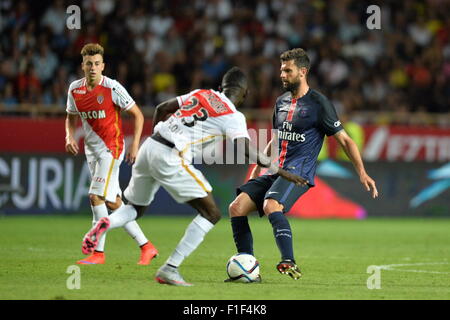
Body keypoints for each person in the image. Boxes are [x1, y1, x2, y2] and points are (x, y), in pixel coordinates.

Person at [80, 67, 308, 286]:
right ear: (245, 94)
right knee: (211, 212)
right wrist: (279, 170)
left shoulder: (203, 93)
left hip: (150, 146)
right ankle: (170, 268)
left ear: (221, 86)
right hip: (171, 154)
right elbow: (246, 150)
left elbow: (161, 107)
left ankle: (105, 222)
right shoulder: (233, 115)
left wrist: (157, 137)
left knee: (134, 208)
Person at [227, 48, 379, 281]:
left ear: (303, 72)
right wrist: (259, 166)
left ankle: (288, 260)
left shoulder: (319, 104)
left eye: (288, 70)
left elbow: (345, 140)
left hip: (298, 173)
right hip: (277, 170)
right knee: (236, 207)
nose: (282, 75)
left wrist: (362, 172)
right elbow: (276, 139)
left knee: (271, 205)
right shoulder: (281, 102)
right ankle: (247, 266)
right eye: (281, 70)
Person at [65, 43, 158, 265]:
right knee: (115, 203)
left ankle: (98, 252)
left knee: (95, 196)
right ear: (83, 66)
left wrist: (135, 144)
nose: (93, 68)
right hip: (92, 151)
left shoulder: (112, 87)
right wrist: (69, 137)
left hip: (112, 148)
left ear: (103, 65)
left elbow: (138, 115)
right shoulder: (74, 90)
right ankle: (147, 246)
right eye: (89, 64)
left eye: (97, 64)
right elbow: (70, 117)